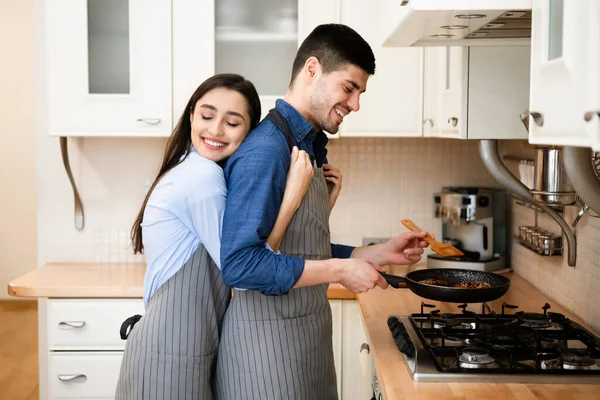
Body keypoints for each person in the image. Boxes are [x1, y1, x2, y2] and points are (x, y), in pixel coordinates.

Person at [215, 24, 429, 399]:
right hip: (265, 352)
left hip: (305, 342)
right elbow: (240, 266)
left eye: (361, 93)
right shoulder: (266, 151)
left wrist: (376, 254)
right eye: (349, 88)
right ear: (312, 70)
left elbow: (302, 248)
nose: (356, 104)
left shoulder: (309, 145)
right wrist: (342, 270)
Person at [114, 73, 326, 400]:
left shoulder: (197, 169)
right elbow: (245, 272)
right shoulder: (201, 176)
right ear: (191, 118)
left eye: (232, 122)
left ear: (249, 131)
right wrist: (292, 198)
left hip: (182, 352)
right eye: (207, 116)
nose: (214, 130)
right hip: (168, 357)